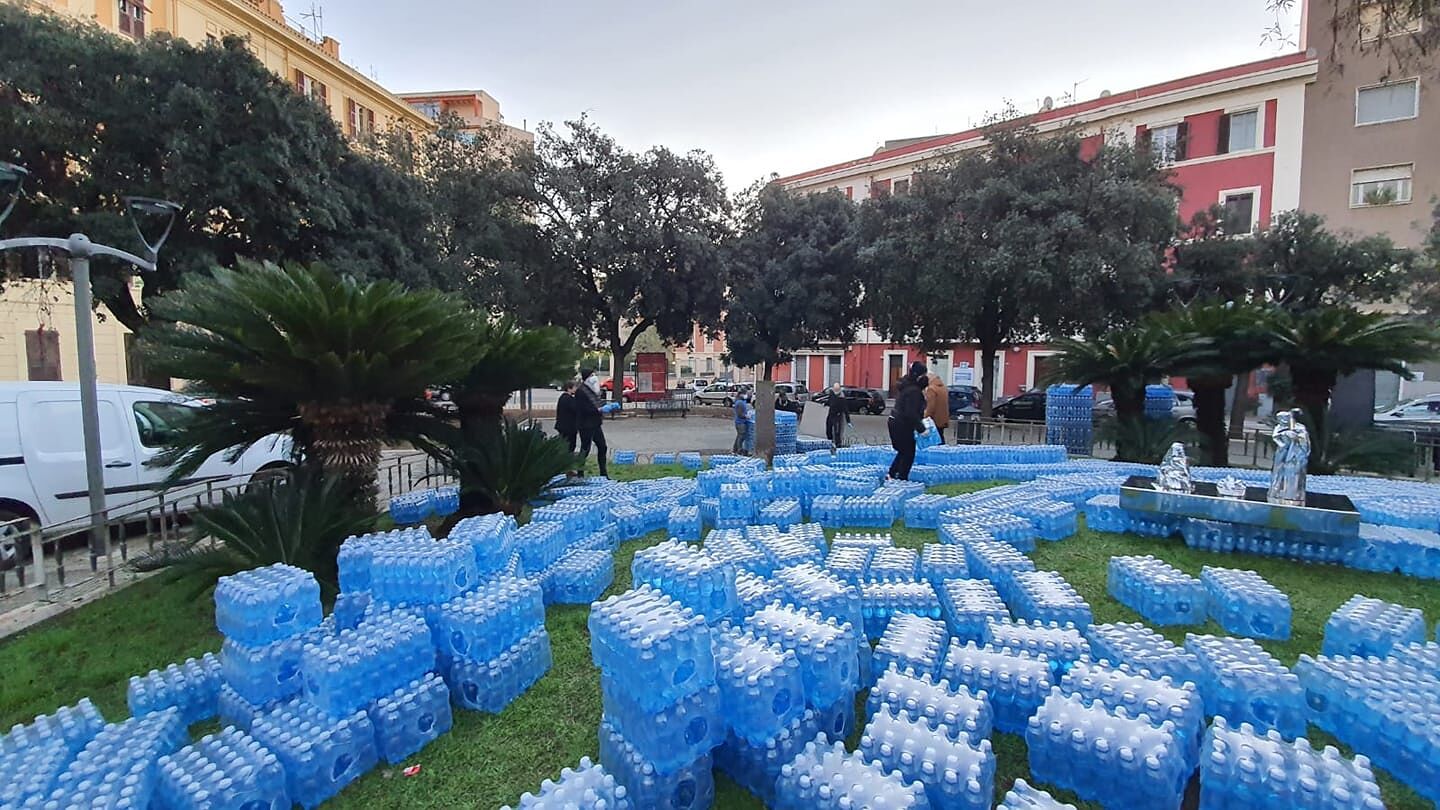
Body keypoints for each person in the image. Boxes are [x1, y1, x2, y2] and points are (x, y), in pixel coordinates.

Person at [888, 361, 929, 480]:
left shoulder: (907, 387)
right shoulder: (914, 392)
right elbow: (911, 413)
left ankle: (892, 474)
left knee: (904, 450)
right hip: (901, 424)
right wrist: (921, 429)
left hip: (896, 422)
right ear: (919, 376)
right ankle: (901, 478)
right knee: (908, 453)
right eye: (924, 375)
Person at [575, 367, 609, 477]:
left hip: (595, 423)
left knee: (602, 446)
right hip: (585, 424)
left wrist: (604, 407)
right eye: (591, 375)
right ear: (586, 378)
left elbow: (597, 403)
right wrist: (598, 410)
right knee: (585, 448)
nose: (594, 378)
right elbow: (583, 408)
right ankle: (580, 472)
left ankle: (603, 473)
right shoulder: (581, 391)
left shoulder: (593, 390)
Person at [923, 373, 950, 446]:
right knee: (941, 436)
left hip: (934, 419)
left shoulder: (931, 389)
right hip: (943, 418)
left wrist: (925, 417)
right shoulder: (943, 388)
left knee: (935, 439)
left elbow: (931, 406)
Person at [555, 380, 579, 455]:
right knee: (570, 445)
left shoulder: (563, 397)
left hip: (562, 425)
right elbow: (576, 409)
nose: (576, 389)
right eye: (575, 387)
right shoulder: (569, 399)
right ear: (569, 388)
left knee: (564, 444)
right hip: (568, 427)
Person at [825, 382, 850, 448]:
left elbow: (846, 410)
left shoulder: (842, 398)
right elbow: (829, 401)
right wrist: (825, 404)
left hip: (837, 416)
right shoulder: (832, 394)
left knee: (837, 431)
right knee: (828, 429)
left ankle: (838, 444)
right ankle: (829, 441)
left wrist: (848, 421)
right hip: (830, 414)